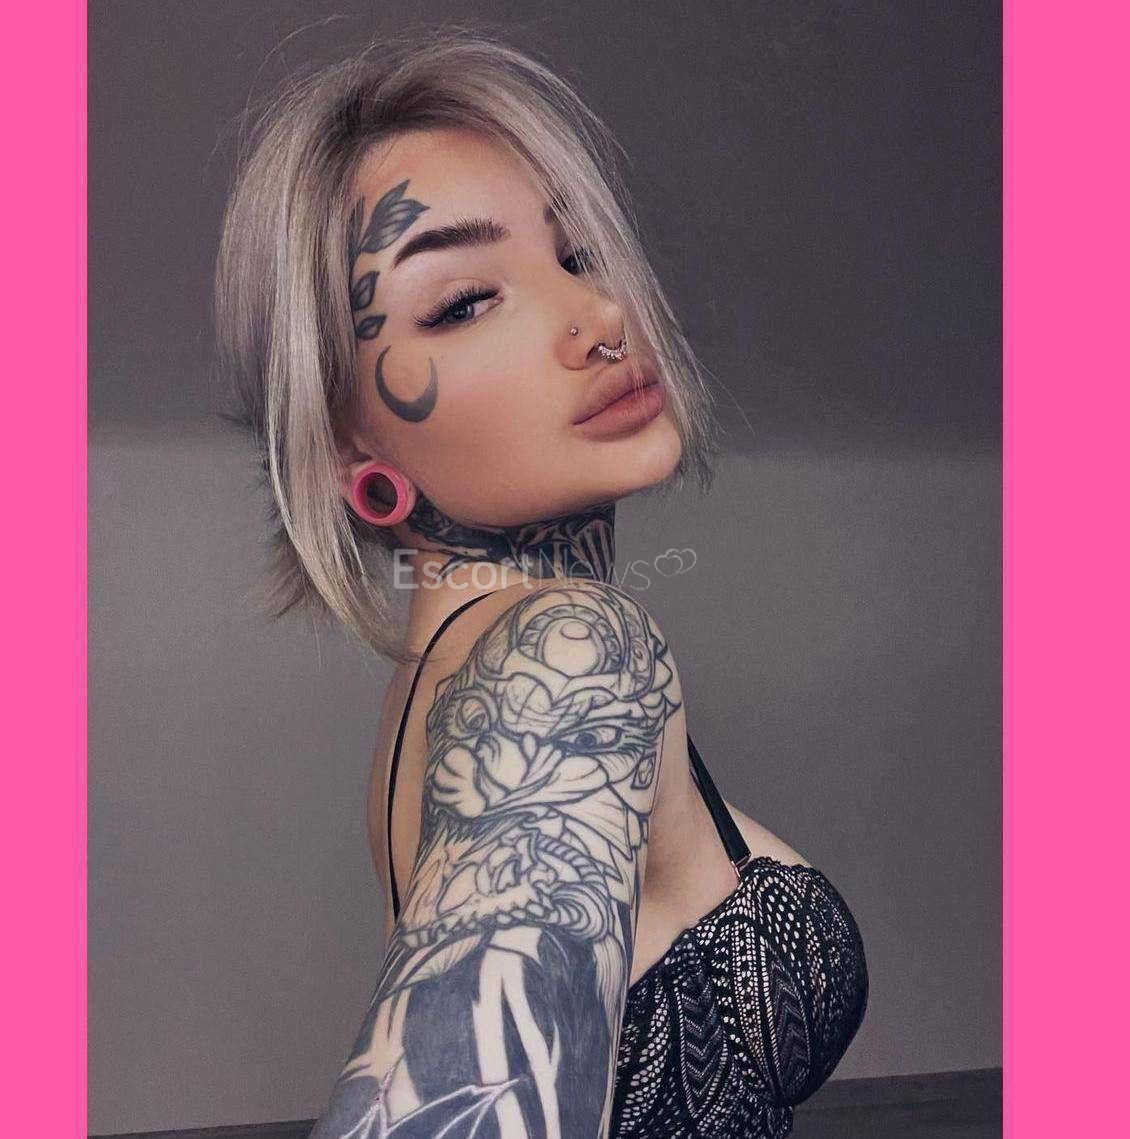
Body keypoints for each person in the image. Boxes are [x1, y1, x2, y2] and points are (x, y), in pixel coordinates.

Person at [214, 26, 868, 1138]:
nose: (601, 319)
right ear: (342, 448)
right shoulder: (563, 655)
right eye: (466, 300)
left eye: (579, 254)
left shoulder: (452, 671)